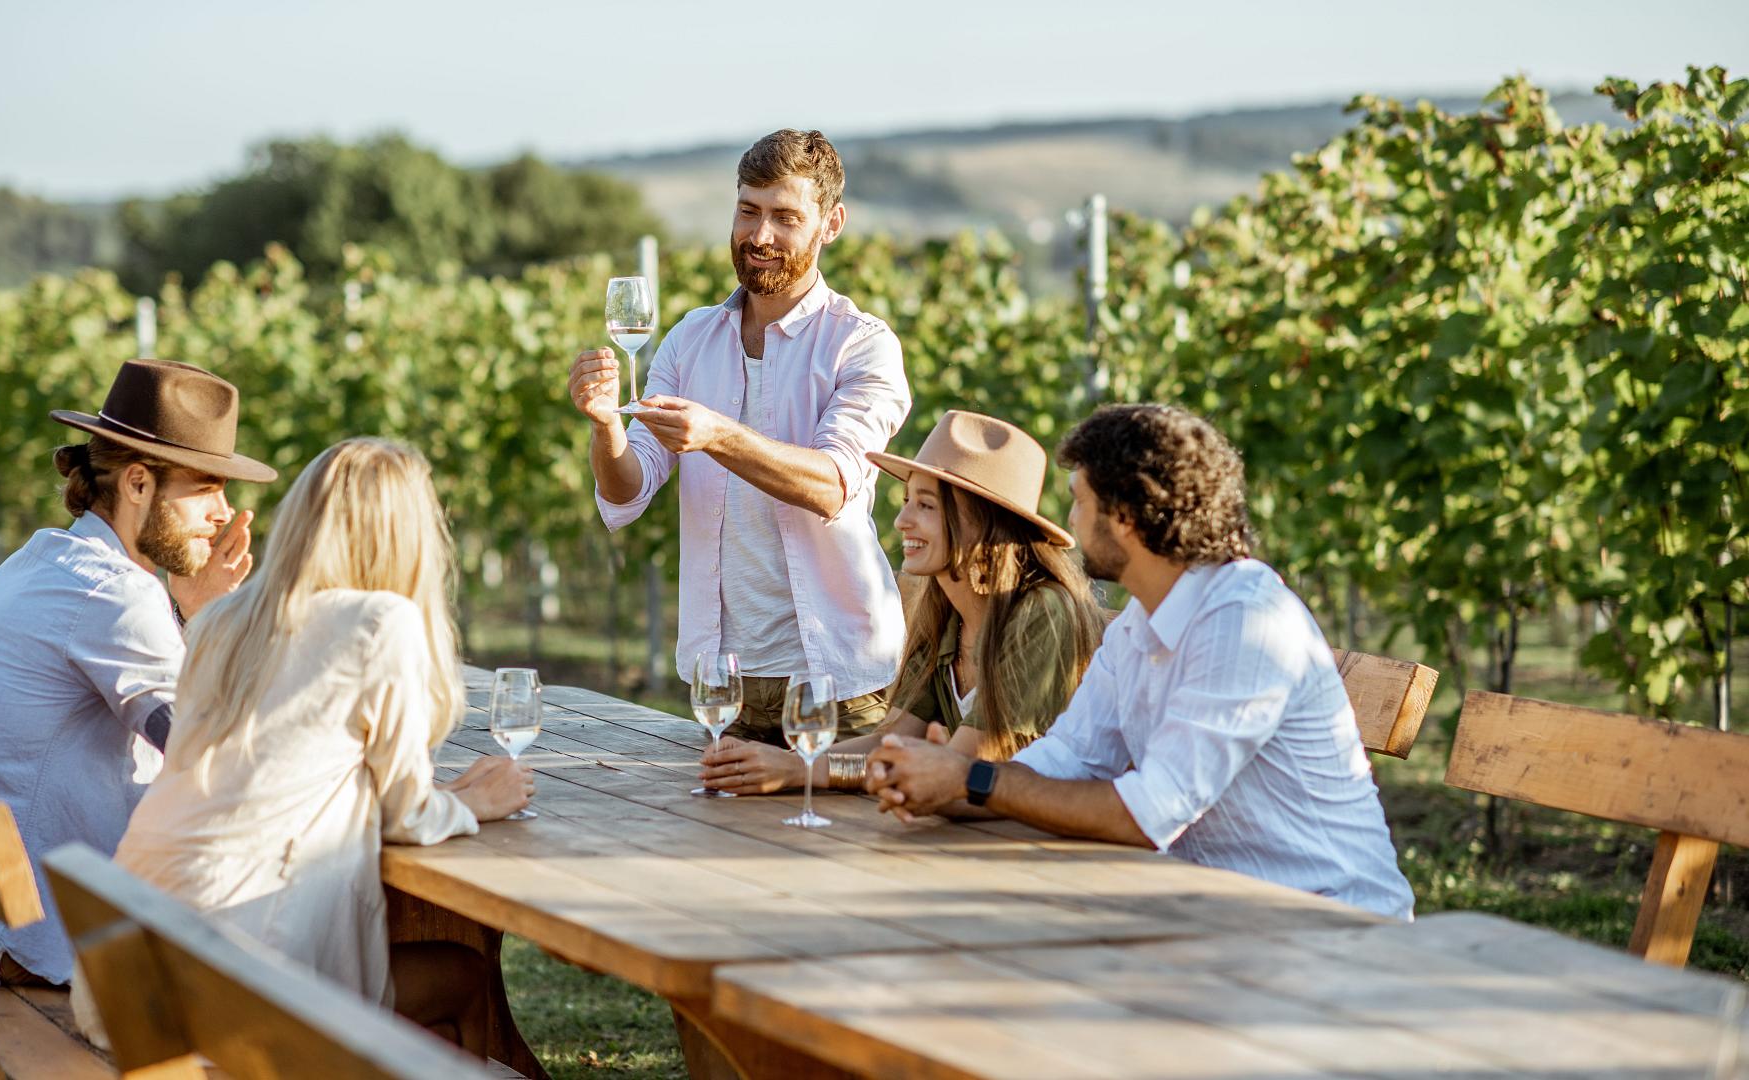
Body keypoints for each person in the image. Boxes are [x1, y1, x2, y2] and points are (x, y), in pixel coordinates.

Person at [867, 404, 1415, 920]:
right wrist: (952, 784)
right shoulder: (1138, 626)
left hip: (1330, 919)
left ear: (1124, 516)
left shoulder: (1245, 622)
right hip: (1214, 911)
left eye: (1080, 501)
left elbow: (1149, 813)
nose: (1072, 521)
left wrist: (973, 779)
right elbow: (1066, 760)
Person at [72, 437, 533, 1047]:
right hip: (229, 986)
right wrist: (475, 803)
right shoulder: (378, 622)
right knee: (464, 977)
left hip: (120, 978)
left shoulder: (219, 620)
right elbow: (405, 816)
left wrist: (440, 793)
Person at [0, 358, 277, 987]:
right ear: (137, 484)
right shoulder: (116, 595)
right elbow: (209, 753)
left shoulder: (45, 559)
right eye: (205, 487)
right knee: (311, 958)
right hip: (20, 942)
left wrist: (190, 611)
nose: (224, 512)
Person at [567, 129, 910, 745]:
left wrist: (719, 436)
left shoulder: (862, 344)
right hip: (722, 678)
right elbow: (627, 493)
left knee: (848, 844)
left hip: (838, 678)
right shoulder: (690, 339)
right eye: (748, 211)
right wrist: (605, 425)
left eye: (785, 217)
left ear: (831, 224)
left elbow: (833, 485)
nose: (760, 236)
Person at [698, 411, 1103, 795]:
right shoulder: (946, 614)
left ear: (980, 521)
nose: (902, 520)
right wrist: (794, 766)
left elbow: (955, 768)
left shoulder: (1042, 612)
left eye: (925, 505)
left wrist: (801, 770)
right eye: (908, 500)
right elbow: (892, 743)